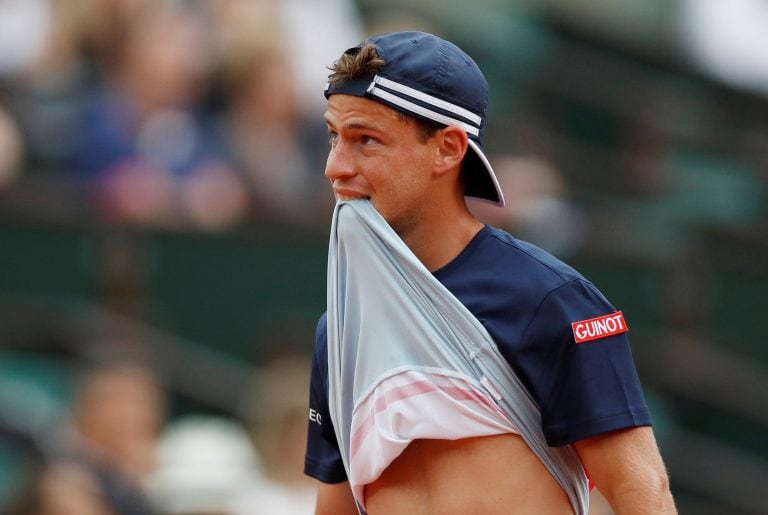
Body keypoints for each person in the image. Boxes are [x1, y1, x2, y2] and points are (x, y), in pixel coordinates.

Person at [304, 30, 676, 514]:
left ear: (448, 149)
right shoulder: (337, 333)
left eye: (365, 141)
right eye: (335, 136)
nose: (335, 167)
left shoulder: (553, 301)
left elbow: (642, 496)